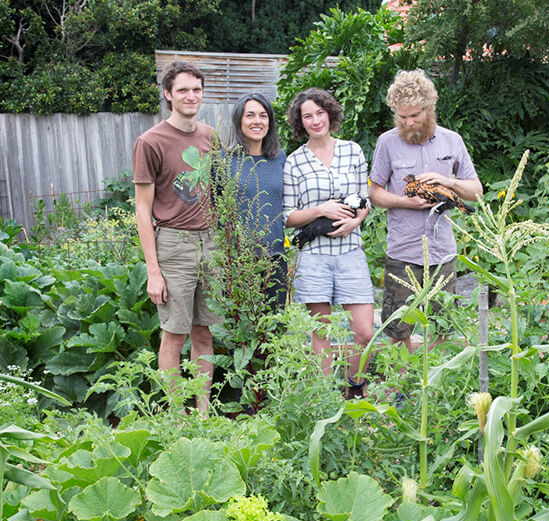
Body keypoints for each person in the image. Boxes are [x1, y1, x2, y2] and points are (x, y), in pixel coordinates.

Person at [369, 69, 482, 350]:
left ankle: (434, 379)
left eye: (415, 115)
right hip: (403, 251)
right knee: (397, 328)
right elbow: (374, 193)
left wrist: (447, 181)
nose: (408, 122)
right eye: (402, 116)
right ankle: (403, 384)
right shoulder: (387, 142)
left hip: (442, 251)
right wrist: (407, 202)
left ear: (429, 109)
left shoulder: (451, 141)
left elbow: (476, 191)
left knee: (443, 326)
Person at [133, 60, 218, 415]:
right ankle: (175, 416)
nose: (191, 96)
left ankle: (202, 412)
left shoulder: (210, 137)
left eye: (196, 89)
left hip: (209, 244)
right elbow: (142, 208)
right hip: (173, 245)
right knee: (174, 336)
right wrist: (153, 270)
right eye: (182, 90)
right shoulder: (150, 141)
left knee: (204, 334)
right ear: (168, 94)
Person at [284, 88, 373, 397]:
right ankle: (324, 399)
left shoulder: (353, 150)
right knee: (320, 333)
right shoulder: (294, 161)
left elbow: (366, 200)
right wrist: (321, 210)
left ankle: (355, 389)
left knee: (363, 332)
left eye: (320, 113)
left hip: (350, 252)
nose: (315, 120)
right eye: (307, 116)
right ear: (300, 122)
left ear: (330, 114)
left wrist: (356, 221)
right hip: (314, 255)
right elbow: (288, 216)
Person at [225, 92, 287, 308]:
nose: (257, 121)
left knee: (275, 330)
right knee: (239, 333)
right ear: (238, 120)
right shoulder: (223, 160)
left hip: (275, 258)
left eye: (263, 115)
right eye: (250, 115)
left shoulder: (280, 159)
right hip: (238, 261)